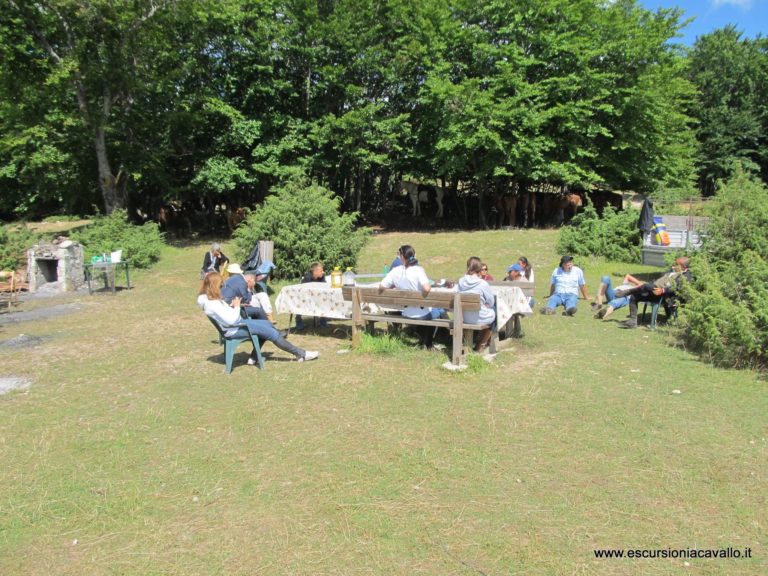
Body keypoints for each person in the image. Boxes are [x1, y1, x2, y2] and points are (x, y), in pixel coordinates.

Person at [198, 272, 318, 363]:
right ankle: (300, 354)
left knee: (267, 324)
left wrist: (233, 306)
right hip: (235, 329)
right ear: (214, 286)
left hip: (236, 325)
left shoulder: (208, 299)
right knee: (270, 332)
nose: (222, 287)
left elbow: (227, 316)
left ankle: (254, 357)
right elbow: (231, 319)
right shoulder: (212, 303)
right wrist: (237, 306)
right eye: (220, 285)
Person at [379, 244, 444, 348]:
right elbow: (427, 288)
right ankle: (429, 342)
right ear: (414, 255)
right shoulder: (418, 270)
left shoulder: (395, 271)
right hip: (422, 314)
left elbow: (382, 286)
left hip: (406, 312)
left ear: (401, 256)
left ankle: (422, 336)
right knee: (440, 310)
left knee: (431, 311)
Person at [618, 257, 692, 329]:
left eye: (676, 264)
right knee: (634, 296)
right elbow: (659, 281)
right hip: (655, 291)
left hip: (666, 297)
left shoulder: (686, 276)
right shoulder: (672, 271)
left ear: (683, 267)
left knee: (646, 286)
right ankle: (632, 322)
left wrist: (663, 290)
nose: (673, 266)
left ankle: (628, 292)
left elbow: (676, 288)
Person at [457, 257, 496, 352]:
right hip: (479, 317)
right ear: (479, 269)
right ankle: (481, 344)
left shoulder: (461, 281)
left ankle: (473, 342)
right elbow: (491, 302)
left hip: (463, 317)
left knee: (490, 311)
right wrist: (485, 305)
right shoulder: (483, 284)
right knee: (495, 311)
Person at [295, 262, 329, 331]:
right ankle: (298, 322)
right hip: (306, 298)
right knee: (299, 302)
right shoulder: (307, 278)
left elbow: (324, 287)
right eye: (321, 271)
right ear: (315, 272)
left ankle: (323, 322)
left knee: (325, 300)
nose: (323, 272)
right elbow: (302, 291)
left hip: (318, 297)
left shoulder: (322, 277)